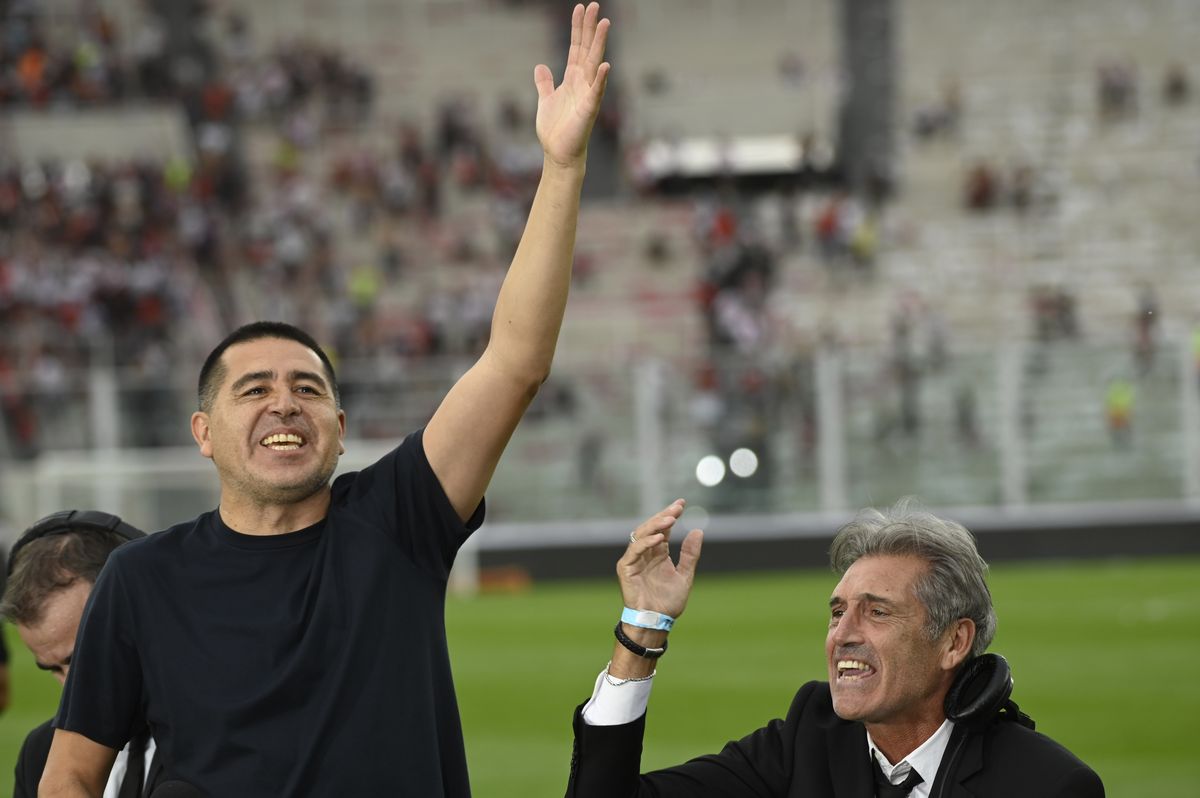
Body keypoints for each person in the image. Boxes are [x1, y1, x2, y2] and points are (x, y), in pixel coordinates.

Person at [41, 5, 611, 796]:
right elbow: (70, 774)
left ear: (340, 431)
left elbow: (515, 362)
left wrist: (562, 167)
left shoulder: (398, 521)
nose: (286, 404)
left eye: (309, 389)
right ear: (203, 431)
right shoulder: (140, 580)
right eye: (256, 389)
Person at [566, 500, 1104, 797]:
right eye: (837, 610)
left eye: (877, 611)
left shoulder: (1050, 786)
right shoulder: (807, 740)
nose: (843, 632)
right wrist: (642, 631)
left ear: (954, 642)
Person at [0, 510, 156, 798]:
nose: (70, 687)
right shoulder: (40, 753)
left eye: (81, 659)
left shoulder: (220, 742)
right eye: (54, 669)